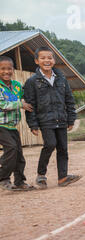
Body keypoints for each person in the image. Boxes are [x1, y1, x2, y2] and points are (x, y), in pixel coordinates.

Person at [23, 47, 81, 188]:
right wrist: (33, 125)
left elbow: (69, 99)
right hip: (45, 120)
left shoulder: (61, 78)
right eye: (43, 58)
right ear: (37, 61)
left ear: (54, 60)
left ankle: (63, 177)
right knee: (50, 144)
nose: (47, 60)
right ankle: (41, 175)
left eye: (49, 58)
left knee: (63, 148)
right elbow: (30, 105)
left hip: (61, 118)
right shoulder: (32, 81)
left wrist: (71, 118)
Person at [0, 56, 35, 191]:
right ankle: (2, 177)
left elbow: (25, 98)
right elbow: (2, 104)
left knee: (19, 155)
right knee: (12, 149)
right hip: (1, 125)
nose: (6, 71)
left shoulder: (16, 86)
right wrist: (20, 104)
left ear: (13, 70)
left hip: (12, 126)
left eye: (9, 69)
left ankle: (19, 182)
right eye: (2, 69)